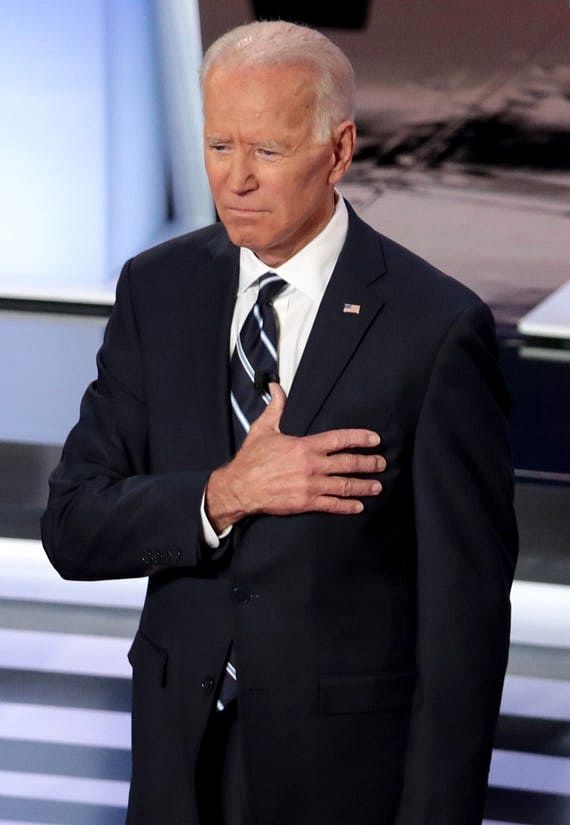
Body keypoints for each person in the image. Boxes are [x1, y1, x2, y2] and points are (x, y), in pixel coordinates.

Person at [41, 21, 517, 825]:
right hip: (177, 762)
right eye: (219, 145)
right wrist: (222, 495)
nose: (237, 179)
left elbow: (463, 622)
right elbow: (73, 527)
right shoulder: (158, 290)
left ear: (338, 151)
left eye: (267, 149)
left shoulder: (434, 328)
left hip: (339, 775)